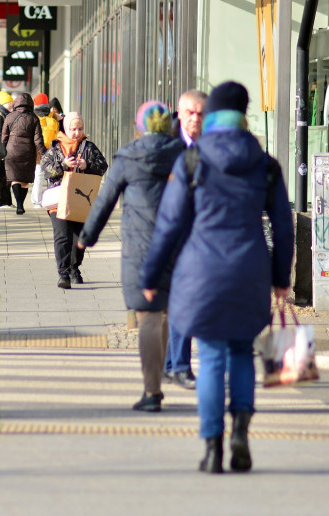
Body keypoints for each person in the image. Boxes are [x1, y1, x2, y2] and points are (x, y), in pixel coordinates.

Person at [140, 81, 294, 473]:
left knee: (209, 359)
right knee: (242, 352)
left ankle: (212, 448)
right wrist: (280, 279)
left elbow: (170, 224)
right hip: (250, 272)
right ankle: (241, 432)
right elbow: (283, 226)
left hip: (201, 272)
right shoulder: (266, 164)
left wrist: (152, 274)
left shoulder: (192, 161)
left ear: (211, 117)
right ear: (244, 115)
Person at [77, 102, 183, 413]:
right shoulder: (183, 153)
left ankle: (152, 391)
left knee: (148, 316)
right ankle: (161, 371)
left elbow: (105, 200)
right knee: (164, 313)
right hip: (180, 245)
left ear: (139, 127)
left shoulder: (128, 156)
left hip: (142, 246)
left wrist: (86, 238)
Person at [163, 88, 208, 390]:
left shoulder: (213, 146)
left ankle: (173, 364)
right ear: (178, 113)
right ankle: (177, 365)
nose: (194, 118)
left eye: (200, 113)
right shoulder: (165, 146)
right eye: (189, 112)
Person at [41, 112, 109, 288]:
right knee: (63, 236)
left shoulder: (89, 147)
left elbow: (103, 165)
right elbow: (46, 168)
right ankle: (63, 273)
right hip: (59, 200)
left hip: (81, 200)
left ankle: (74, 268)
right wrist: (64, 165)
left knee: (79, 237)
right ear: (66, 128)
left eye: (80, 129)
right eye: (73, 129)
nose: (77, 132)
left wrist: (88, 165)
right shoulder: (56, 147)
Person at [2, 93, 47, 215]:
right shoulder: (34, 118)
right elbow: (38, 139)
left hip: (11, 150)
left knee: (15, 179)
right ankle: (21, 204)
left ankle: (19, 204)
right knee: (25, 181)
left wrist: (2, 150)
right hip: (28, 151)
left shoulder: (9, 117)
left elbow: (4, 136)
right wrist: (44, 153)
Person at [32, 93, 60, 208]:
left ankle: (36, 201)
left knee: (38, 175)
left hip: (38, 149)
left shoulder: (33, 117)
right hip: (52, 150)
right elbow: (57, 134)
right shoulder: (53, 117)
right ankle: (51, 199)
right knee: (51, 175)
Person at [0, 91, 14, 208]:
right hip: (1, 150)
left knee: (7, 176)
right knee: (1, 176)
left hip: (6, 150)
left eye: (11, 102)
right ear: (2, 103)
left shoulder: (6, 114)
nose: (10, 104)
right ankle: (0, 202)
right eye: (8, 102)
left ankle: (7, 201)